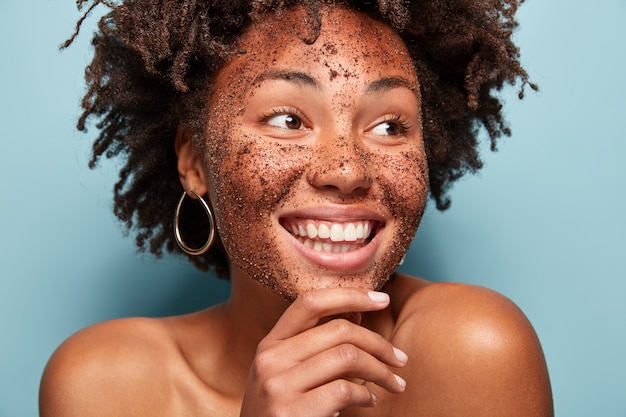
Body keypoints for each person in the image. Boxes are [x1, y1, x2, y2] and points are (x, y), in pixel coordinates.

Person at [40, 0, 553, 416]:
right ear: (194, 161)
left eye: (389, 126)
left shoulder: (473, 350)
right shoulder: (102, 386)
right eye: (287, 121)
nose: (348, 171)